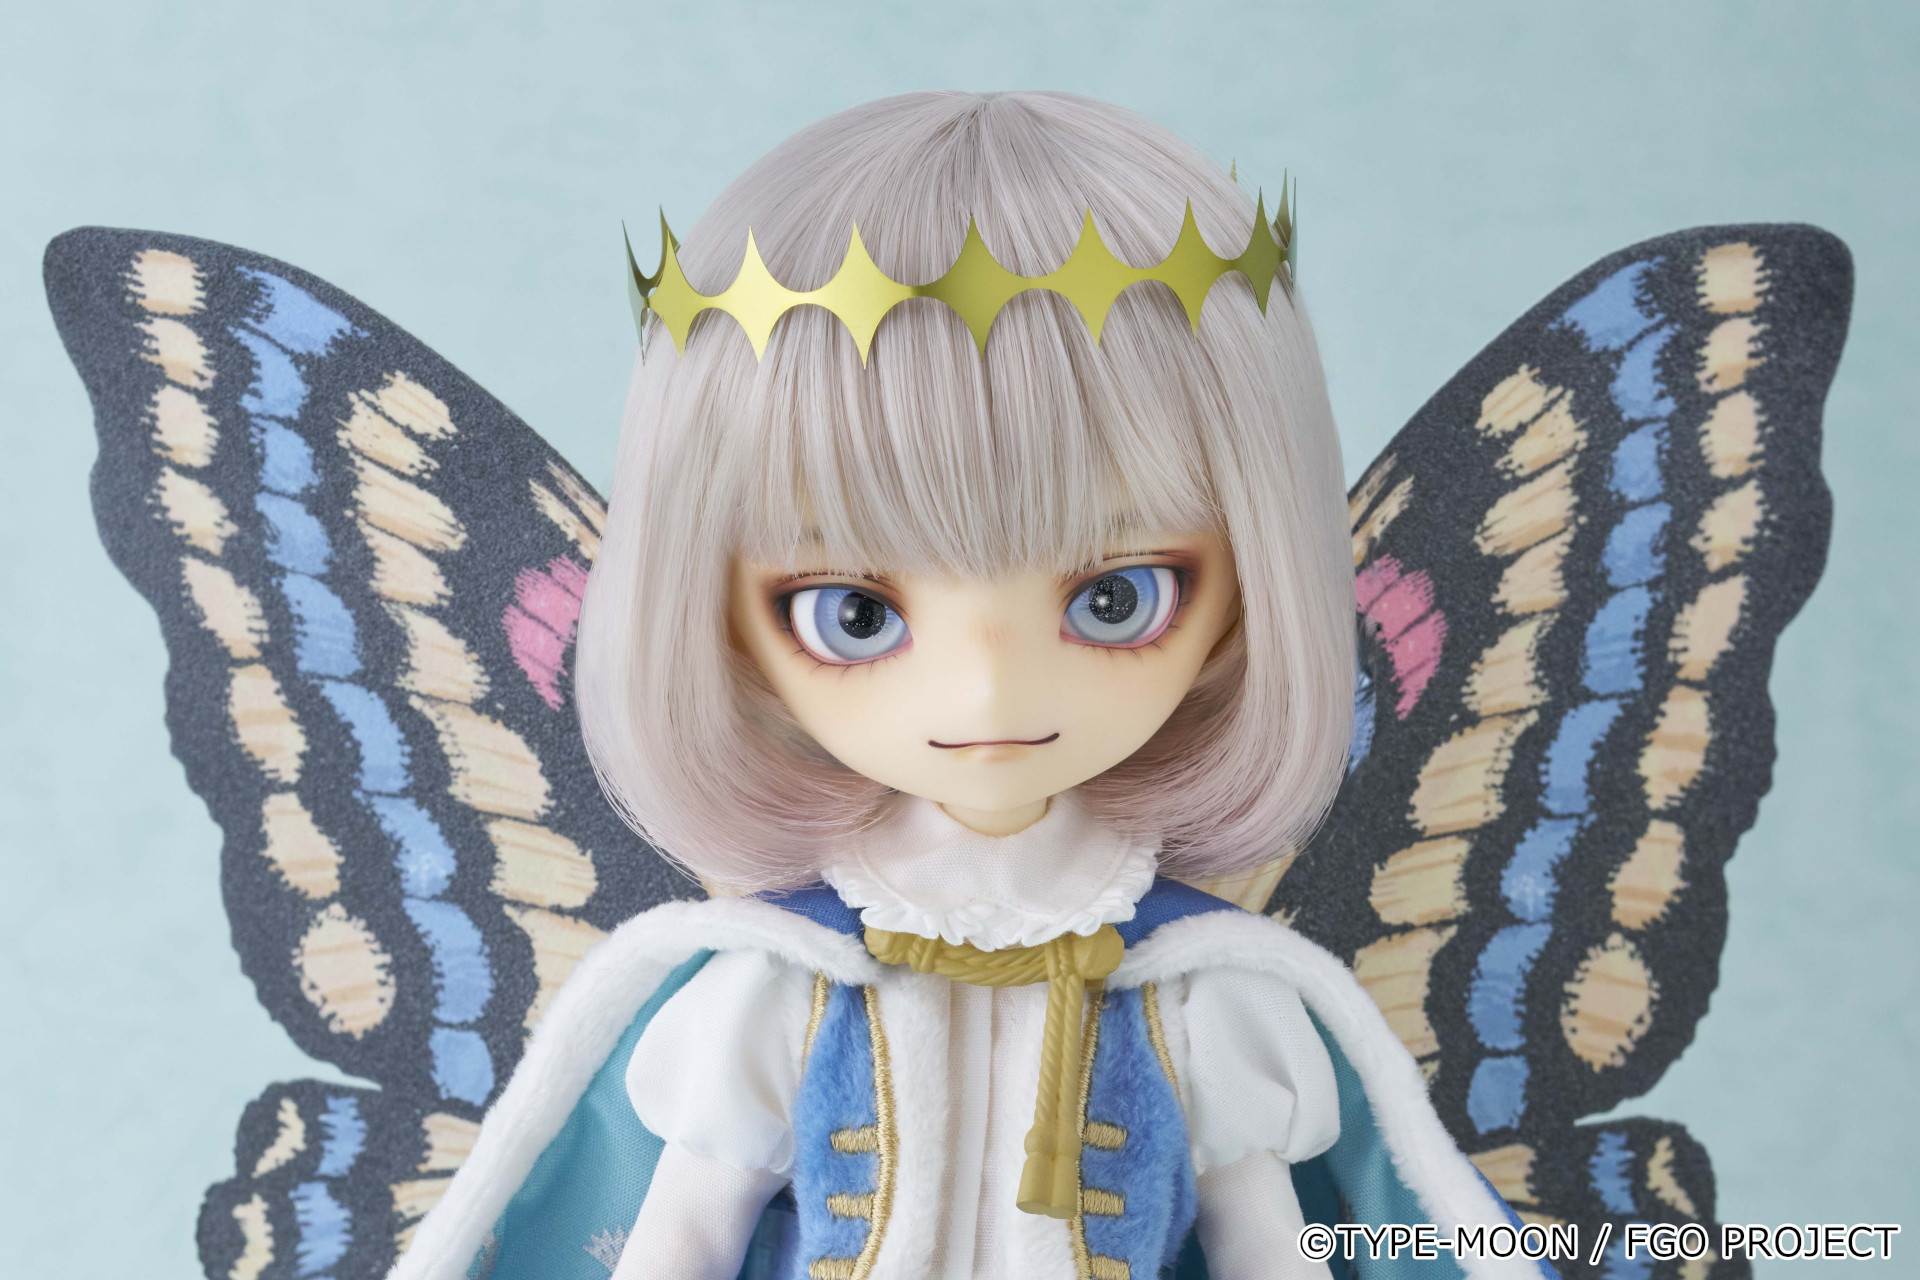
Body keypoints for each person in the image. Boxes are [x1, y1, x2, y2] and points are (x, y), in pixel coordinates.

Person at [391, 90, 1544, 1280]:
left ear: (1249, 594)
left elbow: (1270, 1245)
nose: (989, 691)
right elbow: (681, 1234)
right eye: (855, 613)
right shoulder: (779, 981)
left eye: (1116, 598)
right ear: (716, 618)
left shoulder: (1201, 991)